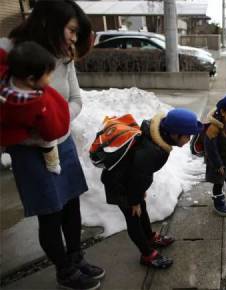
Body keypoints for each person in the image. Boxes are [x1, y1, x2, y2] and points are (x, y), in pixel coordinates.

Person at [3, 1, 105, 289]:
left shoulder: (64, 57)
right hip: (29, 151)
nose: (74, 39)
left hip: (62, 141)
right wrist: (33, 129)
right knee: (50, 213)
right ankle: (64, 270)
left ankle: (76, 257)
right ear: (49, 21)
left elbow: (76, 100)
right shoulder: (9, 52)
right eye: (72, 30)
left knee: (72, 204)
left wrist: (54, 122)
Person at [101, 108, 203, 269]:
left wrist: (139, 193)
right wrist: (134, 199)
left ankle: (149, 237)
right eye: (187, 136)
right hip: (119, 185)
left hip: (130, 181)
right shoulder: (152, 151)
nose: (188, 140)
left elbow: (140, 174)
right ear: (175, 134)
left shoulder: (158, 136)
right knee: (133, 218)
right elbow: (139, 175)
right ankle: (147, 254)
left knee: (142, 210)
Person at [0, 41, 70, 175]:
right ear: (31, 80)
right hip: (22, 132)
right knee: (48, 142)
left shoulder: (5, 78)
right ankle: (53, 164)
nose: (51, 78)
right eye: (48, 74)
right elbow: (50, 129)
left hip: (6, 130)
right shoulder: (37, 103)